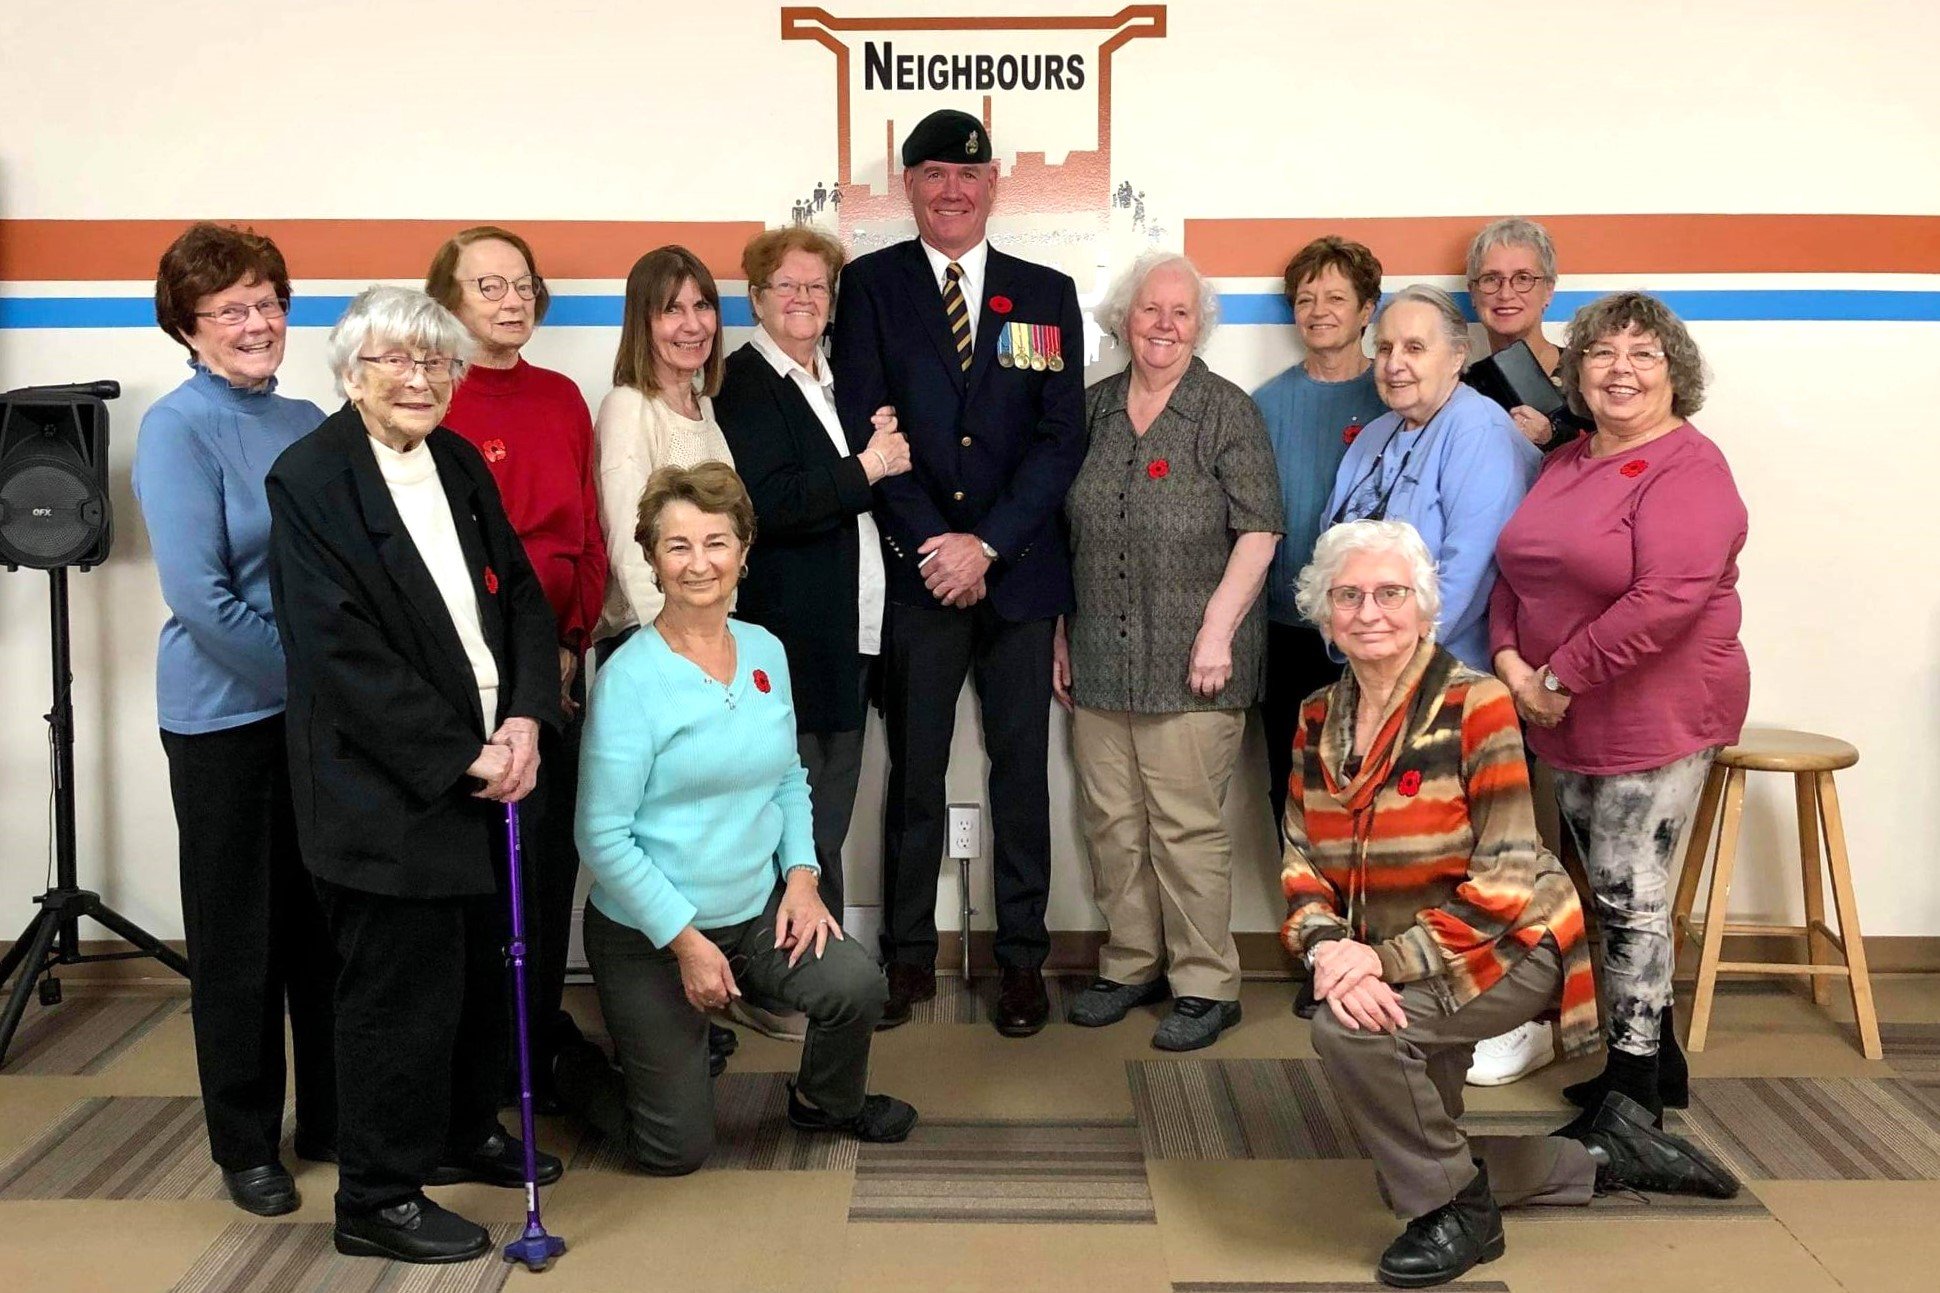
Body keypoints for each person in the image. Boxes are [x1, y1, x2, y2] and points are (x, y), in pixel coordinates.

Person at [1283, 518, 1740, 1289]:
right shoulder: (1315, 719)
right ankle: (1604, 1153)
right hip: (1398, 958)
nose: (1369, 611)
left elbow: (1502, 884)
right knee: (1408, 1163)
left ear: (1425, 610)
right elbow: (1300, 864)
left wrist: (1377, 963)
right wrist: (1331, 948)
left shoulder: (1478, 704)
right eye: (1348, 595)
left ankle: (1460, 1212)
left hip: (1510, 947)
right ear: (1325, 616)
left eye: (1391, 593)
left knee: (1348, 1035)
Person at [266, 286, 562, 1264]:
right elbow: (337, 655)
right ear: (352, 374)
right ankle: (376, 1196)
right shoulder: (309, 478)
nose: (420, 380)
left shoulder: (459, 461)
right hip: (382, 787)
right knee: (395, 993)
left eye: (436, 362)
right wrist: (460, 753)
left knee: (474, 969)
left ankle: (455, 1129)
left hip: (489, 761)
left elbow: (518, 598)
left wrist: (522, 714)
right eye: (395, 360)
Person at [558, 463, 916, 1172]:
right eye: (678, 545)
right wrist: (685, 942)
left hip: (753, 915)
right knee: (674, 1151)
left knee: (854, 983)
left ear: (744, 552)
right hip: (650, 935)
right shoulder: (630, 677)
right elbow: (600, 832)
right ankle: (572, 1069)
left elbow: (786, 777)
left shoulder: (764, 650)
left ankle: (825, 1102)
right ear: (654, 559)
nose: (700, 563)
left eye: (716, 542)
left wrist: (805, 878)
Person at [830, 108, 1086, 1036]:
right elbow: (867, 428)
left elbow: (1061, 442)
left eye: (967, 175)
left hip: (1017, 578)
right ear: (908, 185)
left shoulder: (1046, 294)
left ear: (993, 187)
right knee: (914, 771)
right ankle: (905, 956)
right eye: (932, 173)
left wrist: (990, 545)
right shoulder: (869, 287)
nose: (951, 190)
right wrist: (936, 545)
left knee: (1023, 772)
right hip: (916, 573)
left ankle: (1022, 961)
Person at [1491, 292, 1749, 1130]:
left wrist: (1554, 679)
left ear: (1675, 373)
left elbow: (1664, 601)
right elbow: (1517, 567)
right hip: (1561, 710)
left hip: (1655, 711)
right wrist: (1510, 663)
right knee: (1606, 894)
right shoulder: (1569, 460)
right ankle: (1652, 1061)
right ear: (1575, 372)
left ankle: (1633, 1099)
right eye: (1601, 353)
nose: (1621, 370)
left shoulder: (1691, 468)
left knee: (1629, 896)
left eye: (1643, 354)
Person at [131, 222, 336, 1218]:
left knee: (324, 925)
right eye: (231, 311)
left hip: (316, 711)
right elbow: (204, 600)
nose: (257, 325)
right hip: (226, 717)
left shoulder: (306, 417)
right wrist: (320, 683)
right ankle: (246, 1139)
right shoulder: (175, 427)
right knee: (241, 937)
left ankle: (334, 1116)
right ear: (188, 325)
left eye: (269, 304)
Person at [1056, 252, 1282, 1050]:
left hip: (1197, 661)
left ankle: (1208, 984)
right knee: (1113, 823)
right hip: (1101, 658)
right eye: (1150, 309)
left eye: (1180, 312)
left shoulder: (1227, 412)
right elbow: (1063, 533)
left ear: (1199, 326)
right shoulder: (1090, 411)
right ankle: (1129, 963)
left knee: (1185, 828)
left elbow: (1259, 531)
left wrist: (1217, 630)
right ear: (1123, 319)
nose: (1163, 324)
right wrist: (1060, 631)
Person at [428, 224, 607, 1100]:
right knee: (483, 884)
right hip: (474, 679)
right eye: (488, 287)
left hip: (560, 669)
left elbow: (589, 532)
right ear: (450, 301)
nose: (511, 301)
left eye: (522, 284)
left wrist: (572, 647)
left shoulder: (565, 395)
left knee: (545, 872)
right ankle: (480, 1069)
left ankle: (534, 1049)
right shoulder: (435, 401)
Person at [714, 225, 911, 922]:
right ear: (757, 298)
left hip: (852, 634)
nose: (803, 298)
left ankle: (817, 964)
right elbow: (774, 501)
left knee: (826, 813)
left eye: (817, 286)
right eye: (787, 286)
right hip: (788, 636)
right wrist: (872, 464)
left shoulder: (840, 384)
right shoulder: (743, 383)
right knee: (782, 815)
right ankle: (780, 966)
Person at [1321, 285, 1538, 675]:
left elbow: (1470, 570)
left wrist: (1400, 660)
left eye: (1414, 348)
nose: (1393, 364)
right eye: (1385, 348)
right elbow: (1330, 551)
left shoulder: (1479, 429)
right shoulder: (1374, 434)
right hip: (1368, 668)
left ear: (1457, 356)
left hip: (1445, 676)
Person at [1252, 235, 1389, 830]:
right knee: (1293, 790)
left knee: (1375, 794)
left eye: (1336, 297)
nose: (1318, 311)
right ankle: (1307, 920)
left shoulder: (1396, 397)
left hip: (1375, 631)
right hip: (1285, 629)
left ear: (1366, 310)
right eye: (1305, 299)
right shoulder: (1263, 405)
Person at [594, 245, 734, 653]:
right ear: (643, 323)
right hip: (650, 639)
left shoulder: (703, 405)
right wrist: (672, 643)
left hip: (709, 632)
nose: (693, 325)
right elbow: (627, 543)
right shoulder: (629, 406)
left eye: (702, 306)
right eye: (672, 310)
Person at [1465, 217, 1586, 451]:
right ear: (1473, 293)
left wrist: (1553, 436)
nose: (1506, 294)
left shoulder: (1588, 376)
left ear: (1548, 291)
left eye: (1523, 278)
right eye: (1491, 279)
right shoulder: (1460, 390)